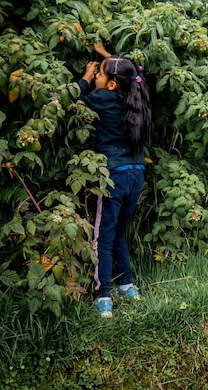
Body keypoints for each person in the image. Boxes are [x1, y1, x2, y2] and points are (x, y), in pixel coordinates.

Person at [78, 42, 151, 318]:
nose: (97, 76)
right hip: (136, 175)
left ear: (111, 85)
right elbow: (133, 76)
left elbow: (73, 98)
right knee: (119, 230)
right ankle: (128, 285)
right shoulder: (137, 98)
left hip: (113, 177)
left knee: (103, 236)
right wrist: (110, 59)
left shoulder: (101, 99)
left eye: (101, 74)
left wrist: (85, 79)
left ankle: (104, 296)